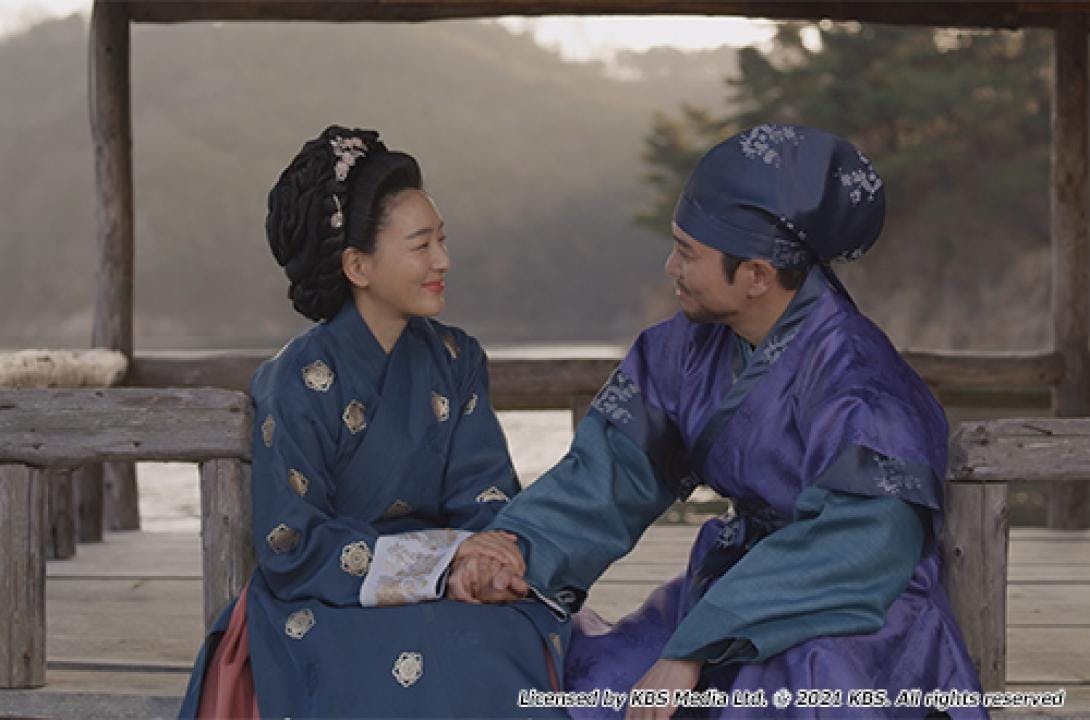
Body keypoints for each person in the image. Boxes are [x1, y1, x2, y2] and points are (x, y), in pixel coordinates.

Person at [449, 125, 986, 719]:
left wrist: (694, 648)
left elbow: (863, 544)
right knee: (593, 687)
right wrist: (514, 550)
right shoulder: (680, 352)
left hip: (848, 609)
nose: (669, 266)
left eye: (687, 252)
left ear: (756, 274)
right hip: (732, 591)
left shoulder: (862, 381)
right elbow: (605, 478)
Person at [178, 126, 566, 719]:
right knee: (445, 657)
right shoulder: (297, 378)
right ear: (358, 265)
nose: (443, 261)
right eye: (421, 246)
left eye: (442, 240)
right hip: (325, 598)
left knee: (505, 637)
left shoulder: (456, 359)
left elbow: (485, 496)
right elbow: (291, 543)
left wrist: (478, 565)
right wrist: (438, 563)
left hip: (445, 585)